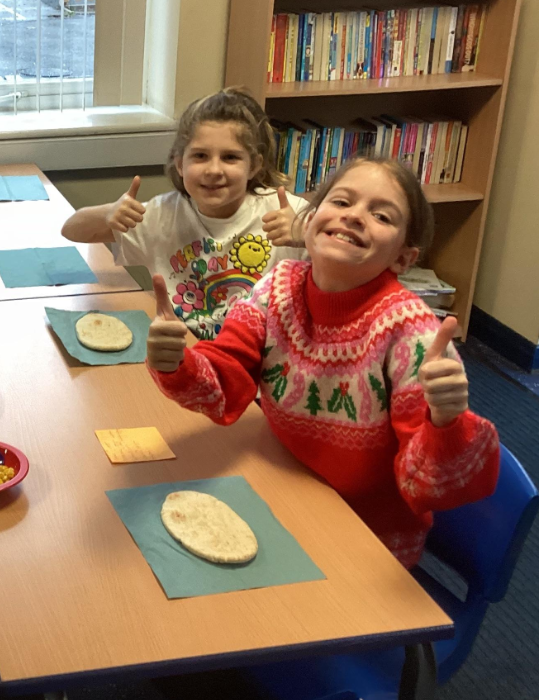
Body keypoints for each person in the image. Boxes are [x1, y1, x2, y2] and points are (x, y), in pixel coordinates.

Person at [145, 155, 500, 568]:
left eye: (381, 215)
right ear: (310, 220)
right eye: (342, 201)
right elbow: (224, 380)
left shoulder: (413, 334)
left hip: (366, 537)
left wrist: (447, 422)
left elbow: (430, 486)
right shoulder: (277, 286)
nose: (354, 216)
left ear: (404, 258)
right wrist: (177, 364)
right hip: (286, 488)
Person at [61, 88, 308, 340]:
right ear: (180, 164)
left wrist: (307, 236)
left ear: (254, 165)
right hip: (182, 351)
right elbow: (71, 230)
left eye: (230, 157)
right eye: (200, 156)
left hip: (261, 354)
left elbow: (336, 276)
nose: (214, 170)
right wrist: (108, 213)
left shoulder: (287, 214)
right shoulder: (163, 215)